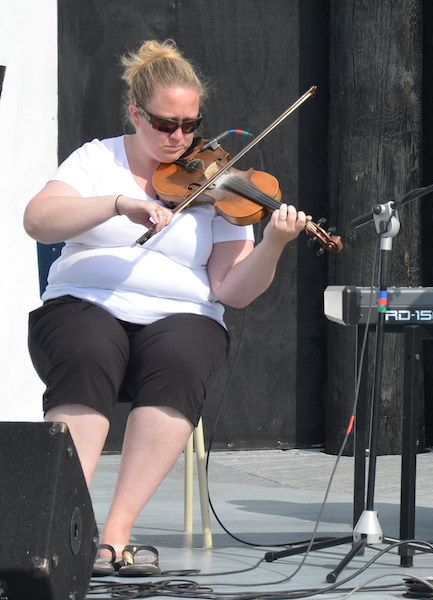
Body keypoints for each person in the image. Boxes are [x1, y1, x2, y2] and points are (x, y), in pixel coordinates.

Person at [23, 40, 308, 576]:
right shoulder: (97, 158)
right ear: (136, 114)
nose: (180, 138)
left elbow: (232, 291)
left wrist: (272, 243)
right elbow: (38, 221)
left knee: (181, 359)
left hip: (181, 315)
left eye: (191, 124)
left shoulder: (219, 181)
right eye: (165, 124)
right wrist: (117, 204)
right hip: (84, 303)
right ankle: (58, 528)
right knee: (87, 353)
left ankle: (115, 535)